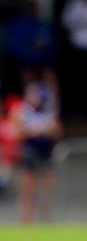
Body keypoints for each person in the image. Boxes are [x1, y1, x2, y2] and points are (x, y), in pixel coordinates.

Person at [15, 80, 62, 222]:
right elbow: (18, 132)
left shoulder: (48, 112)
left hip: (46, 154)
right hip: (29, 154)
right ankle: (26, 221)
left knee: (47, 190)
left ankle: (45, 219)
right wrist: (34, 131)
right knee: (28, 191)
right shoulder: (22, 111)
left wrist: (47, 130)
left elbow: (57, 132)